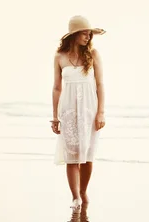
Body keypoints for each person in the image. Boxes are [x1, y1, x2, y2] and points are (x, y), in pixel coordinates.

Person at [51, 15, 106, 208]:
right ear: (73, 36)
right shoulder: (60, 57)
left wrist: (101, 112)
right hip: (68, 109)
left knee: (88, 155)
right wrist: (55, 117)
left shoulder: (94, 55)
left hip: (89, 109)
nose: (88, 37)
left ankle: (83, 191)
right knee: (72, 155)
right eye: (84, 33)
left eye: (89, 34)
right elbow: (57, 88)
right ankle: (75, 197)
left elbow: (100, 85)